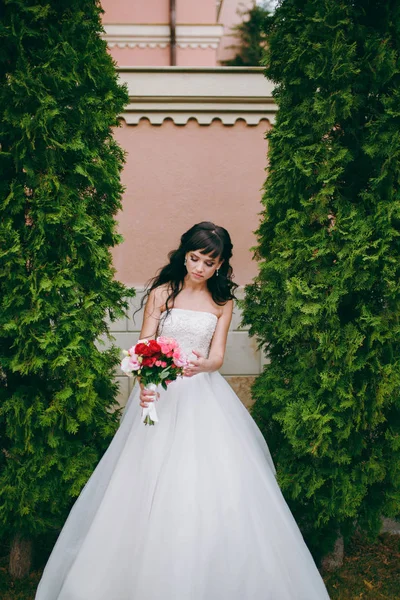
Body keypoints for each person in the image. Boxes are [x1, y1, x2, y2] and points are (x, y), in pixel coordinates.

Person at [35, 221, 330, 600]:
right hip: (161, 394)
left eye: (209, 262)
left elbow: (218, 357)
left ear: (221, 265)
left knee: (211, 483)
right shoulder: (162, 294)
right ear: (184, 254)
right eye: (194, 258)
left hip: (203, 396)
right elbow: (144, 347)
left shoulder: (222, 303)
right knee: (143, 480)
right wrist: (146, 388)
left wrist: (201, 365)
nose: (199, 267)